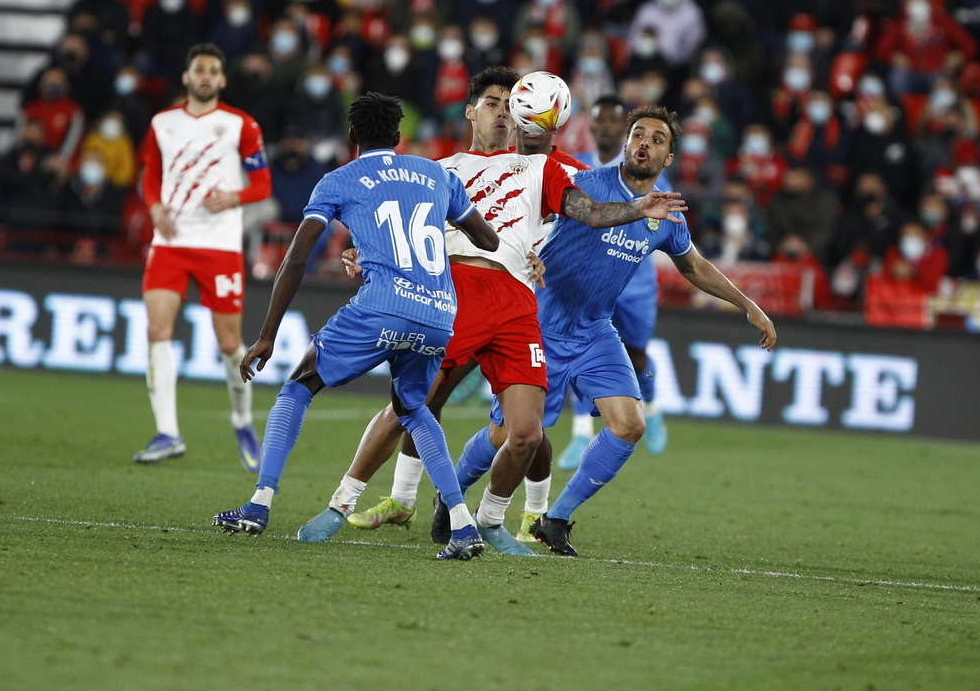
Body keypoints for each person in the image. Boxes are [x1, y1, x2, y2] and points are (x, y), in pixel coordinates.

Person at [300, 70, 685, 552]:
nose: (503, 112)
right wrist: (366, 254)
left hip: (518, 304)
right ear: (471, 111)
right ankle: (352, 500)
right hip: (453, 297)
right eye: (493, 103)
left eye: (511, 104)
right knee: (413, 404)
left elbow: (583, 211)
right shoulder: (438, 170)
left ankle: (494, 518)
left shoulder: (544, 165)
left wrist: (629, 211)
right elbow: (399, 229)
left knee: (525, 431)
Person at [451, 105, 778, 556]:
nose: (644, 143)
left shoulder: (667, 213)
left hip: (594, 331)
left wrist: (748, 305)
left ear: (668, 160)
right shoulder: (585, 183)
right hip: (539, 326)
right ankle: (448, 494)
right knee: (508, 434)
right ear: (625, 144)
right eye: (637, 134)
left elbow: (695, 267)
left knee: (628, 424)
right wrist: (529, 253)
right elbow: (524, 220)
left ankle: (557, 518)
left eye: (657, 140)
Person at [210, 92, 501, 561]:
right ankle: (463, 525)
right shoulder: (436, 174)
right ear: (398, 137)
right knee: (413, 409)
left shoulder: (339, 180)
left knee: (299, 386)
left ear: (352, 138)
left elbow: (297, 257)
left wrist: (267, 334)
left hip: (382, 305)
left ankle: (259, 504)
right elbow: (487, 239)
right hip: (438, 314)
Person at [132, 44, 272, 467]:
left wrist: (233, 197)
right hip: (170, 242)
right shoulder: (162, 123)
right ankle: (167, 433)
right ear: (187, 77)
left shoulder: (239, 124)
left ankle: (243, 421)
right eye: (200, 70)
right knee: (158, 331)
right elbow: (151, 175)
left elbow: (263, 185)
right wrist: (154, 206)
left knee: (230, 343)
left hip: (219, 245)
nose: (207, 76)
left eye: (214, 70)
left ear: (223, 80)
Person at [562, 94, 672, 470]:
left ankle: (652, 408)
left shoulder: (652, 168)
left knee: (637, 354)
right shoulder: (581, 171)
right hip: (592, 280)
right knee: (581, 351)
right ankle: (579, 433)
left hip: (636, 281)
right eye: (601, 121)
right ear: (593, 127)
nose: (606, 127)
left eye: (613, 121)